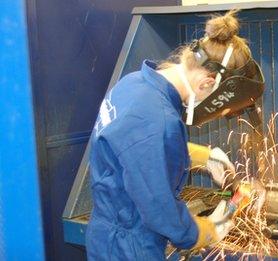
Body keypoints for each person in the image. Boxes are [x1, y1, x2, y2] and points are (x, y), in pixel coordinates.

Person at [86, 10, 265, 260]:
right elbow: (160, 211)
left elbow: (135, 150)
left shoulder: (134, 83)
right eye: (222, 108)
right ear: (207, 83)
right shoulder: (158, 120)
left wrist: (203, 156)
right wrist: (206, 230)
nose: (219, 113)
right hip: (130, 246)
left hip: (108, 234)